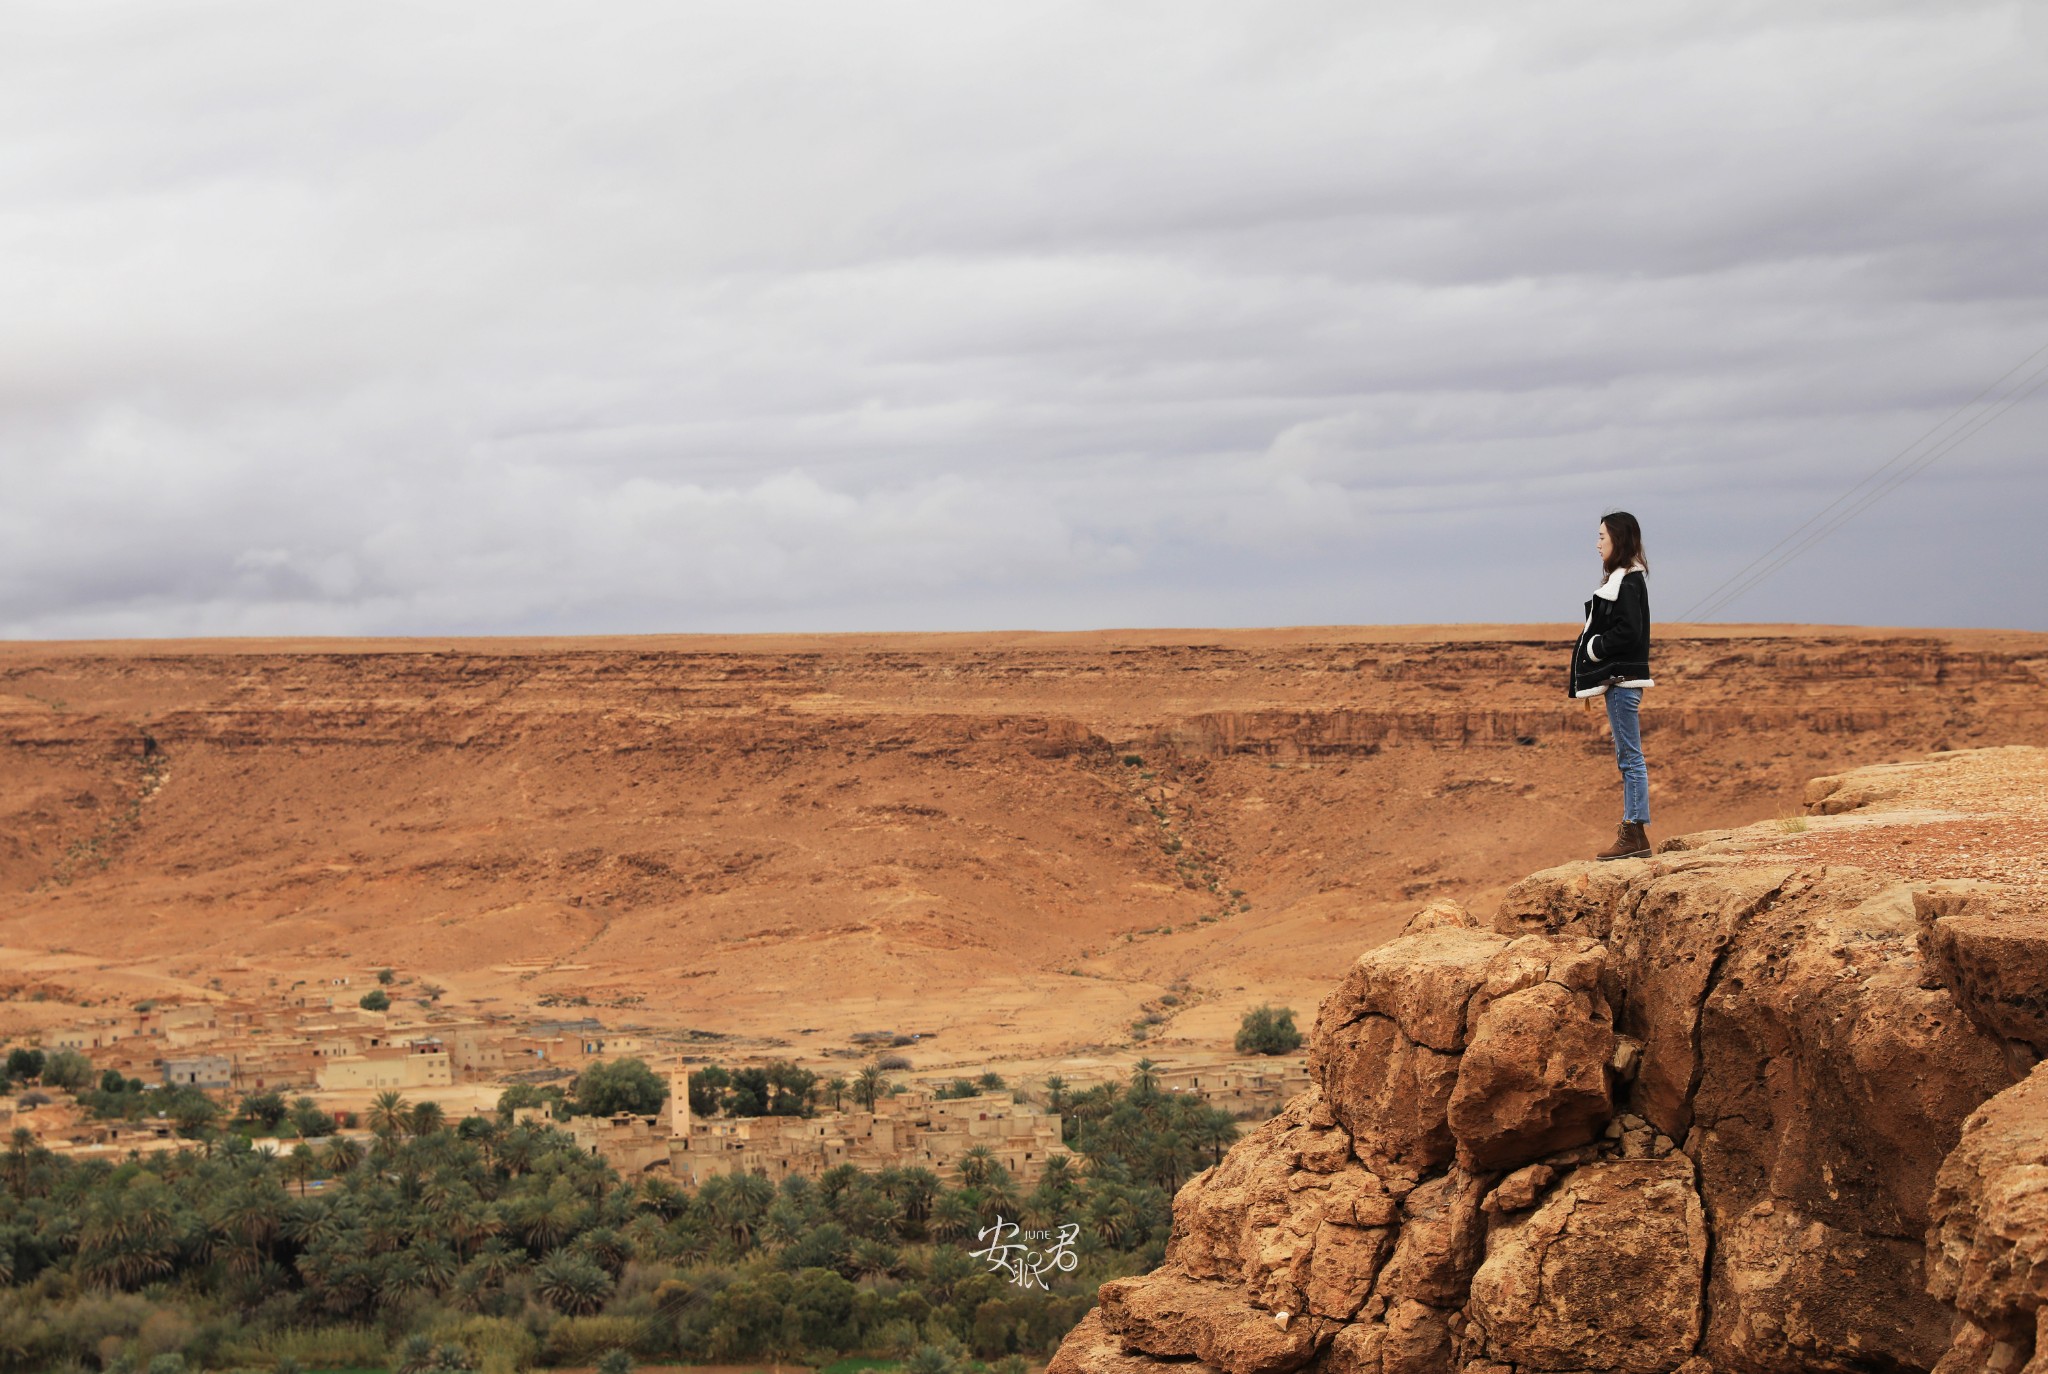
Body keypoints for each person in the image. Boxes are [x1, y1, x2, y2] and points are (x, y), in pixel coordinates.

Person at [1568, 511, 1655, 860]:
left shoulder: (1629, 582)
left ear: (1619, 539)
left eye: (1602, 536)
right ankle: (1633, 830)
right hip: (1620, 681)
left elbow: (1629, 632)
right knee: (1628, 757)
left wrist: (1594, 647)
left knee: (1630, 758)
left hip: (1621, 682)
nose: (1597, 543)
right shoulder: (1627, 581)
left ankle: (1634, 831)